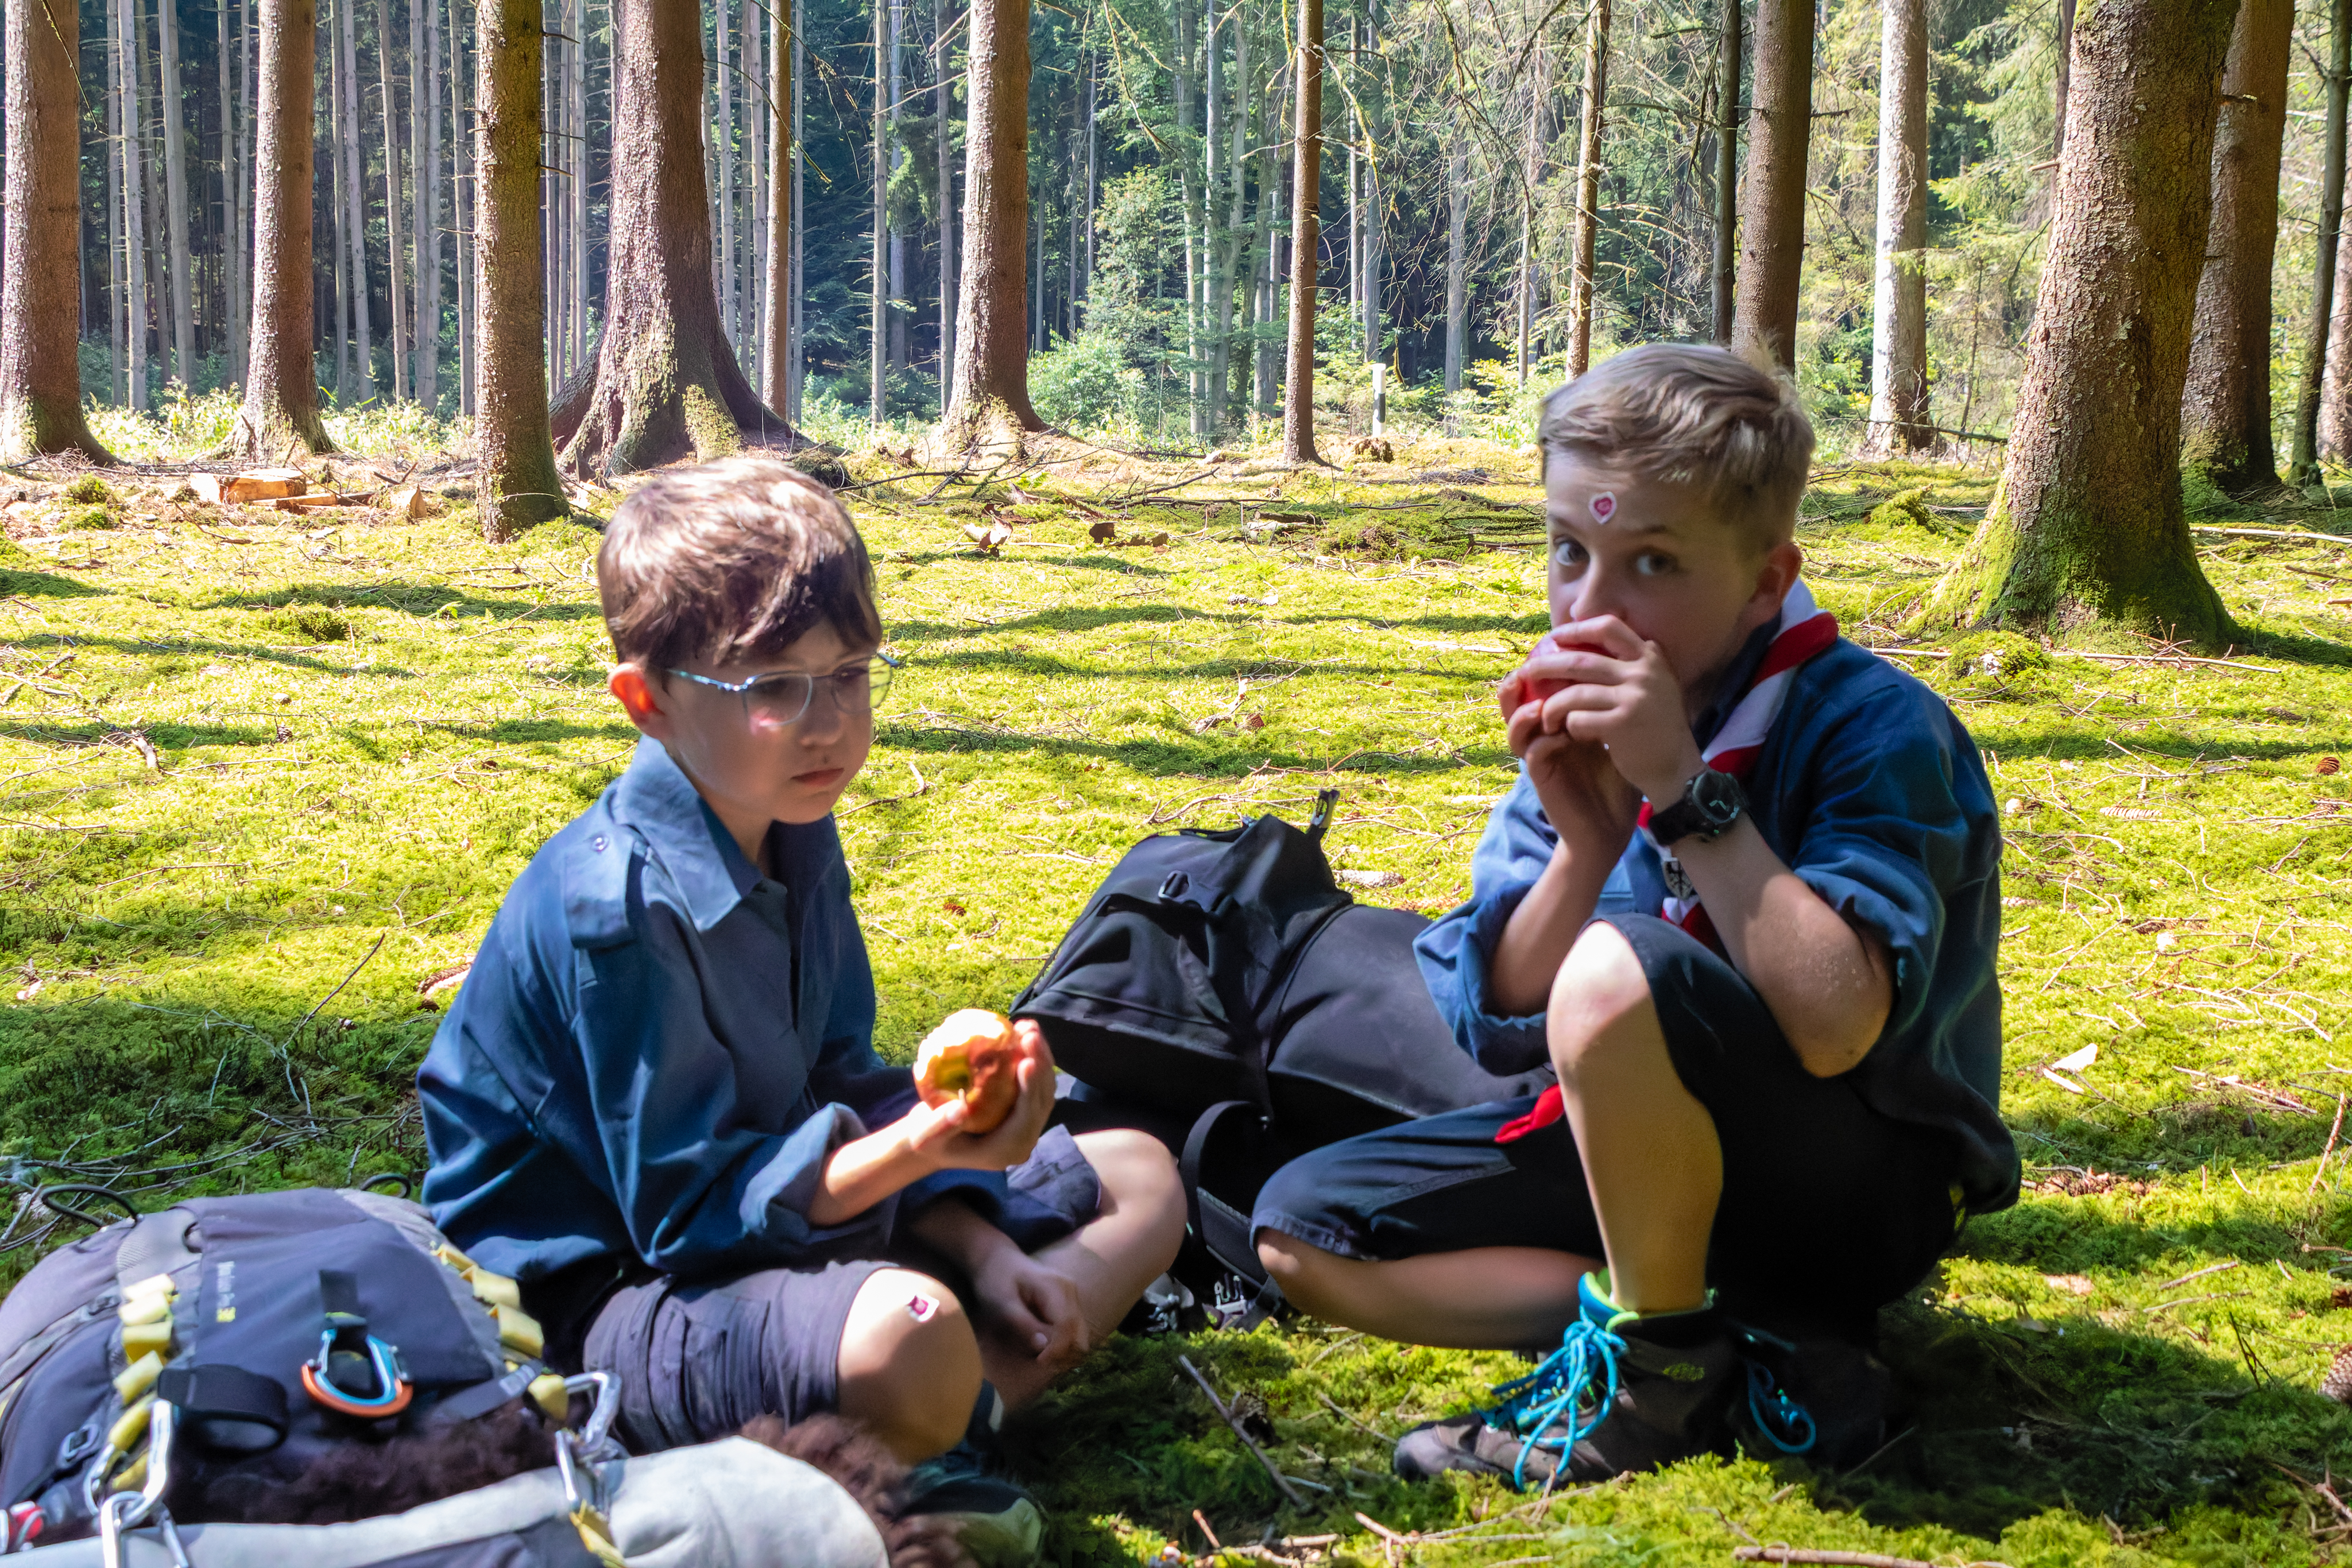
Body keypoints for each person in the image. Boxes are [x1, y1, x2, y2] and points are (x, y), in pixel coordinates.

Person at [1250, 344, 2016, 1486]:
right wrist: (1586, 844)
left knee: (1619, 966)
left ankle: (1649, 1380)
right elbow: (1498, 1006)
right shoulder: (1589, 716)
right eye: (1569, 549)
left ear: (1766, 578)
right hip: (1639, 1158)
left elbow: (1836, 1023)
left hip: (1852, 1176)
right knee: (1302, 1235)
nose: (1590, 602)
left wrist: (1684, 794)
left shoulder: (1871, 727)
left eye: (1650, 560)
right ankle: (1745, 1342)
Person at [417, 457, 1187, 1563]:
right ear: (648, 700)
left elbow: (836, 1075)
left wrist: (974, 1236)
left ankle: (908, 1439)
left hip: (778, 1239)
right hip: (600, 1306)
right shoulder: (616, 911)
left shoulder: (793, 821)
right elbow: (687, 1220)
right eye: (773, 687)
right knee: (910, 1335)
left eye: (851, 675)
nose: (827, 724)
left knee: (1143, 1177)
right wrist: (925, 1152)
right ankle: (915, 1433)